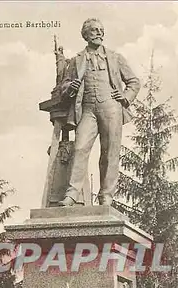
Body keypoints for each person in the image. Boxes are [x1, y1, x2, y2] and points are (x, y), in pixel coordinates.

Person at [59, 18, 140, 207]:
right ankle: (71, 194)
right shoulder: (77, 60)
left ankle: (106, 196)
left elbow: (134, 82)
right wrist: (71, 87)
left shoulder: (114, 57)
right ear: (85, 35)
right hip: (87, 110)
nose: (99, 33)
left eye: (101, 30)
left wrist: (125, 96)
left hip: (111, 108)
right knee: (79, 149)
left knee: (109, 152)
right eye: (94, 30)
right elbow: (64, 86)